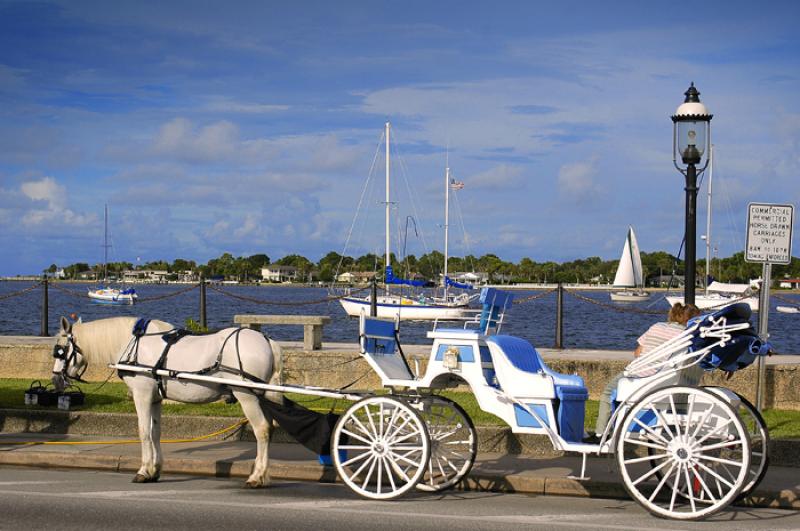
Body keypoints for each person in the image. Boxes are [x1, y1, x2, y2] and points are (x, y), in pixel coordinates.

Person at [591, 303, 702, 439]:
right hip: (665, 378)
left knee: (608, 392)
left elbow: (637, 353)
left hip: (640, 376)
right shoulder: (687, 335)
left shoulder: (656, 327)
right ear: (690, 320)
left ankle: (600, 434)